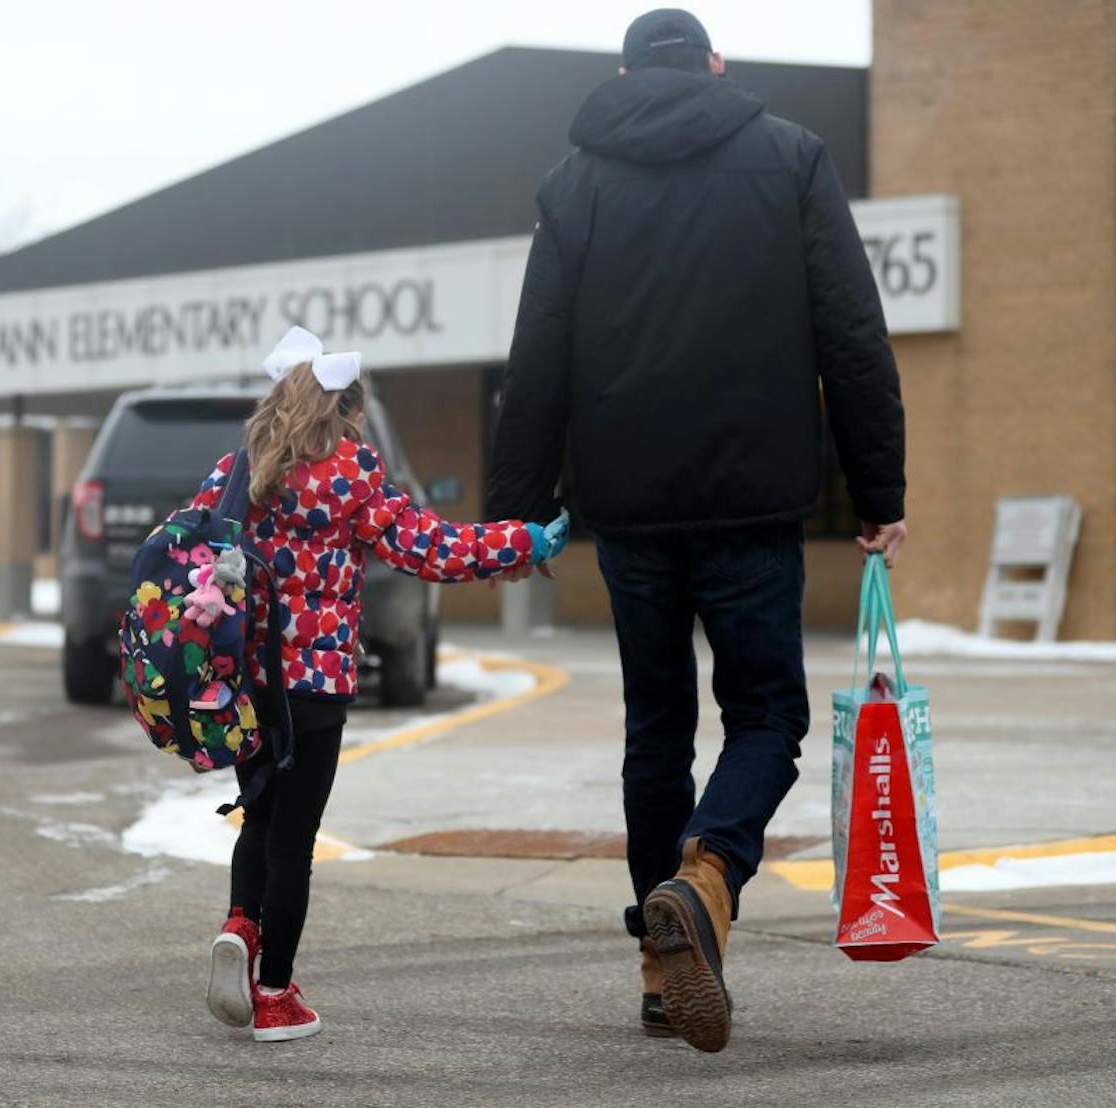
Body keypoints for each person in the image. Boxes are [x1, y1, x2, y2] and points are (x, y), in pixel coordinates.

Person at [485, 9, 907, 1053]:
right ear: (716, 66)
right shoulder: (788, 157)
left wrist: (512, 508)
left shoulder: (573, 182)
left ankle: (652, 963)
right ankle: (708, 873)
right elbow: (850, 330)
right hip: (752, 497)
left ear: (624, 72)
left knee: (654, 727)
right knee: (766, 715)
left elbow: (535, 353)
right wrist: (876, 484)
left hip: (626, 506)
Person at [197, 326, 568, 1043]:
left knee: (260, 819)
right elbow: (431, 550)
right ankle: (274, 996)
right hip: (314, 690)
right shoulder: (350, 473)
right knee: (294, 844)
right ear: (344, 410)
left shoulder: (237, 469)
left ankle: (241, 927)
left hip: (246, 682)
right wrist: (524, 540)